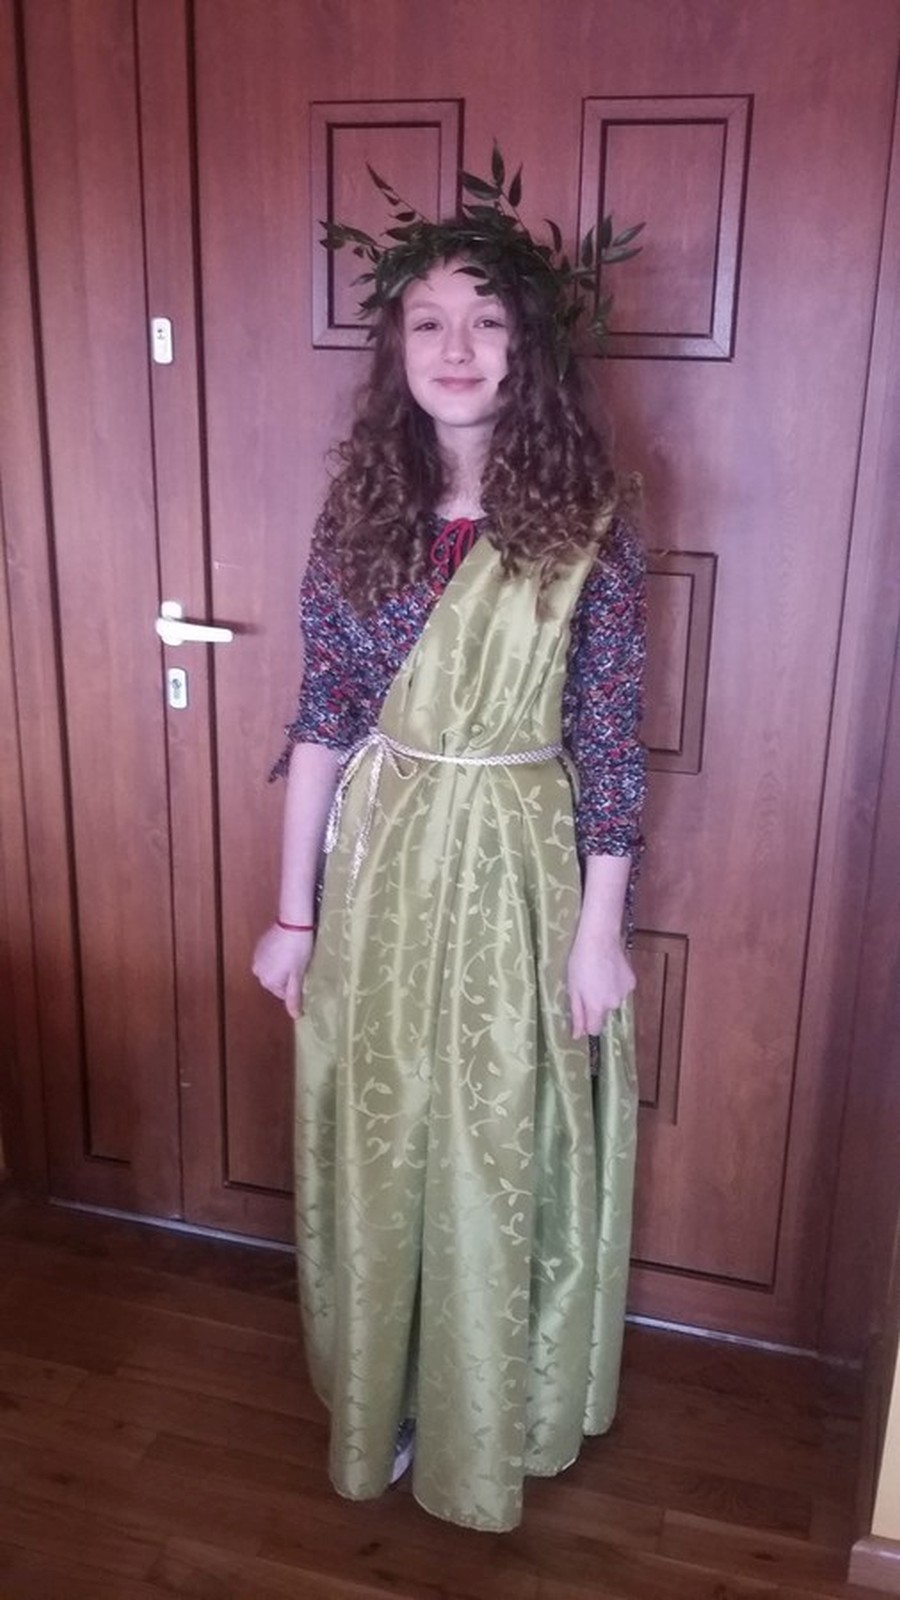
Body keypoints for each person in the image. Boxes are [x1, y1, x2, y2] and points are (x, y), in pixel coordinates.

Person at [252, 162, 646, 1533]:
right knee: (390, 1121)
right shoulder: (361, 515)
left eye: (487, 320)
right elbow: (322, 719)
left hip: (519, 868)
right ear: (398, 351)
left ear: (528, 348)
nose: (458, 347)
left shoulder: (587, 524)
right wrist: (291, 914)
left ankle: (493, 1401)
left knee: (490, 1131)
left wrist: (600, 935)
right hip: (382, 863)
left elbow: (609, 742)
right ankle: (393, 1390)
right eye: (428, 322)